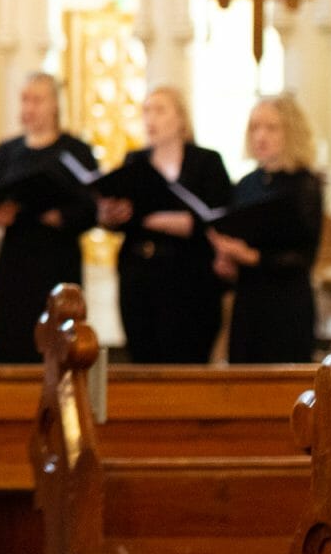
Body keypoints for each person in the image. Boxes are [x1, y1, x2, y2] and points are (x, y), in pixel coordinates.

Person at [95, 86, 233, 364]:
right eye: (146, 111)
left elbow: (211, 219)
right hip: (139, 276)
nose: (150, 118)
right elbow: (118, 216)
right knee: (144, 359)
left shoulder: (206, 162)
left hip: (189, 281)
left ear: (181, 118)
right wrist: (110, 215)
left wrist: (143, 217)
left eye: (160, 110)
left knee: (185, 360)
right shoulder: (135, 161)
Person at [0, 73, 98, 364]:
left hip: (58, 260)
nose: (29, 107)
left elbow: (92, 208)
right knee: (14, 340)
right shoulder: (7, 152)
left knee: (59, 344)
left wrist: (61, 216)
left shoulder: (75, 151)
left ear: (55, 104)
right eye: (25, 100)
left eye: (37, 100)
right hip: (16, 260)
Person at [212, 94, 324, 364]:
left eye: (271, 128)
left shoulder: (304, 185)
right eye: (254, 127)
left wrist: (251, 257)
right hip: (249, 301)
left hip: (286, 304)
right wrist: (227, 260)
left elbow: (303, 257)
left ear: (292, 132)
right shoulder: (247, 184)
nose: (260, 136)